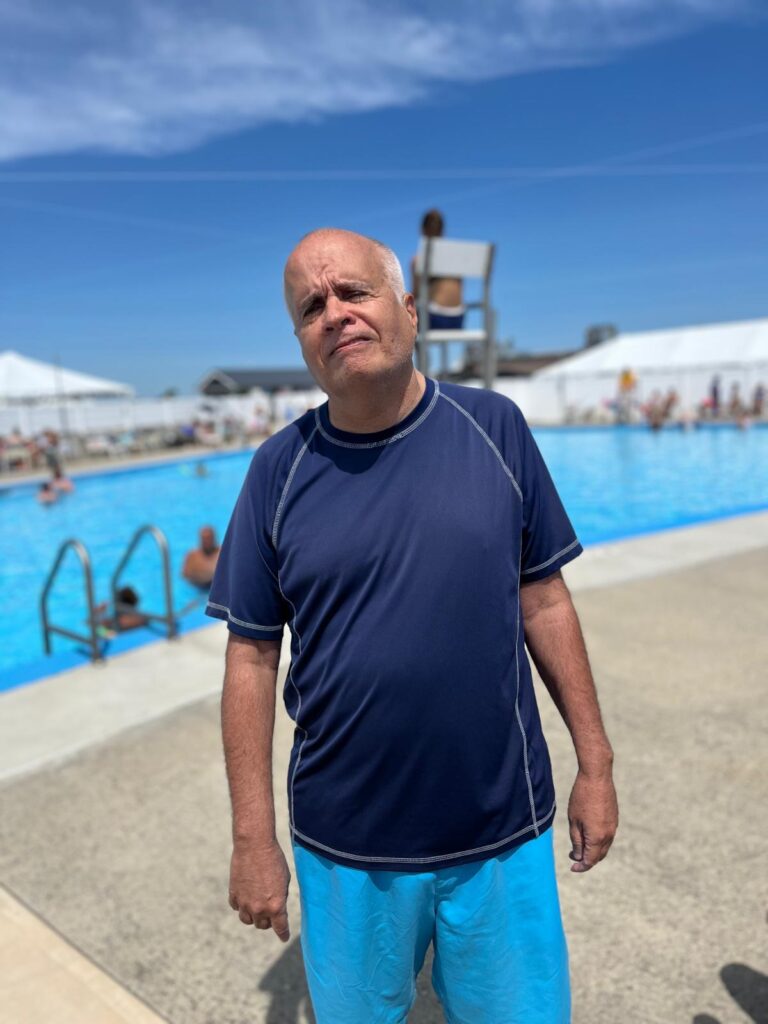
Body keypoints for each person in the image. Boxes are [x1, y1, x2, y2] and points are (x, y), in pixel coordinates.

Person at [206, 228, 618, 1024]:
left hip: (502, 827)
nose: (335, 314)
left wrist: (595, 763)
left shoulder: (495, 429)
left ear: (408, 309)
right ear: (301, 340)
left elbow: (545, 600)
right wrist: (253, 839)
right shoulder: (276, 472)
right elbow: (251, 657)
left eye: (353, 292)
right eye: (311, 307)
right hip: (346, 844)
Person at [410, 208, 465, 329]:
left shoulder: (418, 260)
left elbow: (416, 295)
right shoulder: (456, 256)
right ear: (442, 230)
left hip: (434, 318)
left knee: (408, 311)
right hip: (458, 319)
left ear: (422, 230)